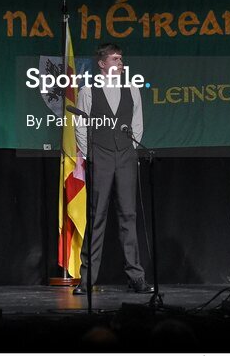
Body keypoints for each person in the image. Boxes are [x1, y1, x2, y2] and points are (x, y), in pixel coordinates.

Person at [73, 43, 153, 295]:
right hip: (101, 154)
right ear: (102, 63)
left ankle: (136, 276)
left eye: (121, 59)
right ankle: (87, 279)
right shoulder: (88, 90)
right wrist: (91, 154)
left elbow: (137, 122)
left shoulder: (132, 87)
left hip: (126, 155)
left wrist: (129, 148)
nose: (120, 63)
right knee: (97, 216)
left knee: (128, 215)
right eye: (115, 59)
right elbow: (80, 124)